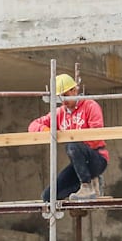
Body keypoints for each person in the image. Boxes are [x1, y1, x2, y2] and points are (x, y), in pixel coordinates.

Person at [28, 73, 110, 203]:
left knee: (72, 145)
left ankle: (88, 185)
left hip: (96, 159)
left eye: (66, 95)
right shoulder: (60, 113)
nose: (64, 101)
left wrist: (75, 140)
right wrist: (46, 130)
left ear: (74, 90)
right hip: (78, 164)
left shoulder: (90, 106)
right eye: (60, 97)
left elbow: (96, 135)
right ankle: (89, 183)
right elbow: (33, 125)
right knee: (48, 197)